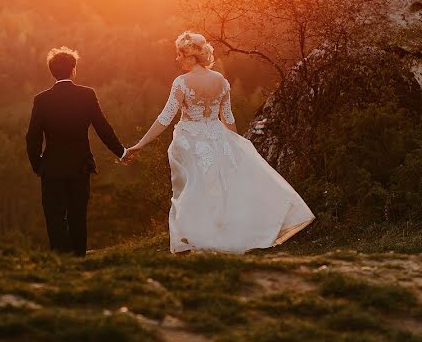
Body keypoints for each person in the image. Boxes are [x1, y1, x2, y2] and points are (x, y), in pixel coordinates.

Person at [124, 32, 314, 254]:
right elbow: (228, 118)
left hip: (190, 142)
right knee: (216, 189)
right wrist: (234, 144)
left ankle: (197, 239)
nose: (177, 59)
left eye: (179, 55)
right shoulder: (222, 82)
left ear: (191, 56)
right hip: (217, 139)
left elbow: (165, 118)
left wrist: (140, 144)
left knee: (193, 190)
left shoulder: (181, 83)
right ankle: (214, 236)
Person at [26, 47, 125, 257]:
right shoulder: (86, 95)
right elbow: (102, 128)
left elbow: (32, 137)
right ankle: (79, 257)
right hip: (80, 166)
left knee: (54, 216)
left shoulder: (41, 100)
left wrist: (39, 165)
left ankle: (61, 260)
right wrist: (121, 152)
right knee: (77, 215)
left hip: (51, 168)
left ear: (52, 72)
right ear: (74, 70)